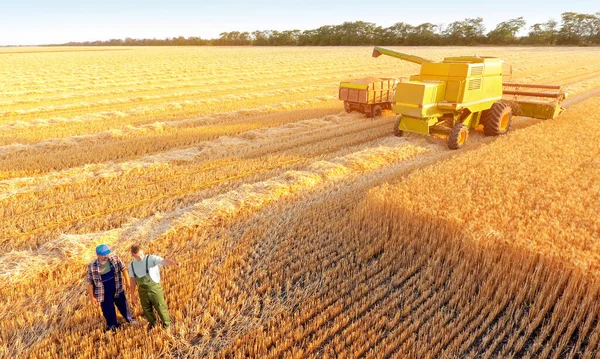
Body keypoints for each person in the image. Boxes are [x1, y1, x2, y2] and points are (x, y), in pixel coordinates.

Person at [86, 244, 137, 331]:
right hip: (103, 291)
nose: (106, 256)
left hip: (117, 286)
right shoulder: (92, 266)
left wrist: (128, 283)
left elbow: (123, 269)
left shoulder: (114, 258)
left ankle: (130, 319)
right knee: (108, 309)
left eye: (107, 254)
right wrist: (92, 296)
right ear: (97, 255)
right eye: (103, 255)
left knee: (123, 304)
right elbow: (90, 283)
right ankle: (113, 325)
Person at [129, 244, 180, 329]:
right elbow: (132, 280)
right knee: (146, 308)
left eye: (141, 255)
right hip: (142, 291)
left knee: (160, 306)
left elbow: (163, 261)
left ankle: (166, 324)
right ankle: (153, 323)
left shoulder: (151, 259)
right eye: (137, 257)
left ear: (143, 251)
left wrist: (173, 263)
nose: (140, 258)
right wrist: (132, 294)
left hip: (154, 289)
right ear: (133, 255)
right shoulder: (132, 265)